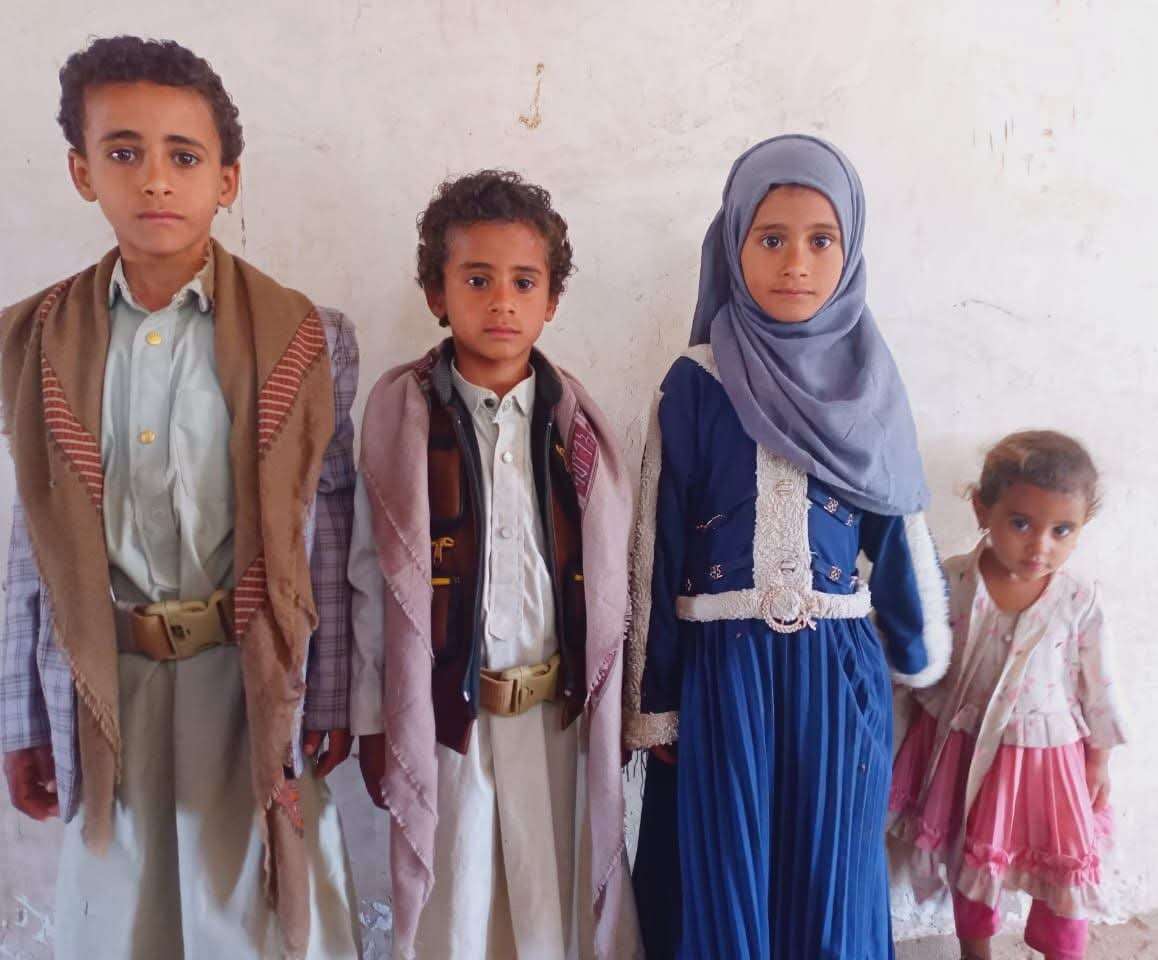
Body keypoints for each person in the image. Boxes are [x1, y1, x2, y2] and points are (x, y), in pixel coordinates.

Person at [0, 36, 360, 959]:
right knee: (126, 917)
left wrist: (328, 697)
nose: (155, 179)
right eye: (124, 152)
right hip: (106, 685)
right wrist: (20, 718)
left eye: (184, 156)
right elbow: (34, 539)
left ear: (227, 180)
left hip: (246, 680)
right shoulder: (40, 340)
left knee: (252, 917)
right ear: (83, 172)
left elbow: (322, 526)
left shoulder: (306, 337)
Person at [625, 134, 950, 959]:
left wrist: (918, 652)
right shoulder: (695, 382)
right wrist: (655, 702)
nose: (796, 263)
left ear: (851, 249)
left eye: (821, 239)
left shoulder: (871, 386)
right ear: (734, 244)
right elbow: (655, 546)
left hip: (838, 677)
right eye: (771, 238)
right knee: (725, 867)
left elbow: (899, 525)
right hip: (723, 677)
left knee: (830, 875)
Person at [348, 170, 642, 959]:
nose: (502, 302)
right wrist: (374, 722)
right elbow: (372, 585)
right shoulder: (401, 419)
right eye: (477, 280)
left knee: (554, 914)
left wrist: (618, 712)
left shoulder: (578, 428)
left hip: (558, 722)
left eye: (524, 282)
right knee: (459, 913)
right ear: (436, 294)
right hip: (450, 720)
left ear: (552, 301)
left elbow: (614, 585)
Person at [889, 430, 1127, 960]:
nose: (1041, 546)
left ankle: (1062, 951)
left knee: (1061, 870)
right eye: (1021, 523)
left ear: (1081, 527)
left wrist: (1099, 761)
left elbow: (1100, 685)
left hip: (1048, 760)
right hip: (965, 748)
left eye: (1062, 530)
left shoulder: (1079, 599)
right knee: (972, 858)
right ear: (982, 509)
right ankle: (975, 950)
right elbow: (918, 656)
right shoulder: (951, 580)